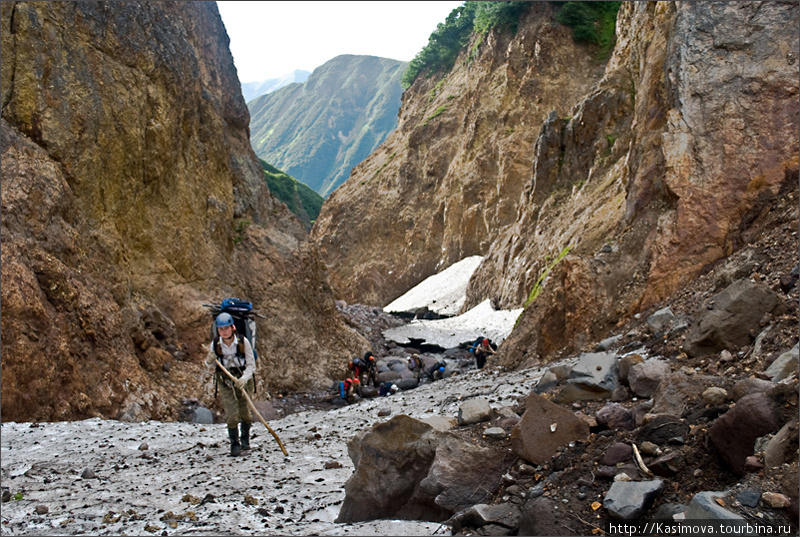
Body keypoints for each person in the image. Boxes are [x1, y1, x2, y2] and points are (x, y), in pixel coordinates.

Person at [205, 312, 256, 457]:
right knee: (232, 415)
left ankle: (245, 440)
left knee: (246, 413)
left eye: (226, 328)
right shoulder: (215, 344)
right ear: (218, 330)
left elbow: (252, 365)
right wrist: (209, 360)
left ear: (232, 327)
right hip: (225, 381)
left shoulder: (243, 342)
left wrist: (244, 379)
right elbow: (209, 366)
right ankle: (235, 444)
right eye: (221, 329)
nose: (224, 331)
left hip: (243, 378)